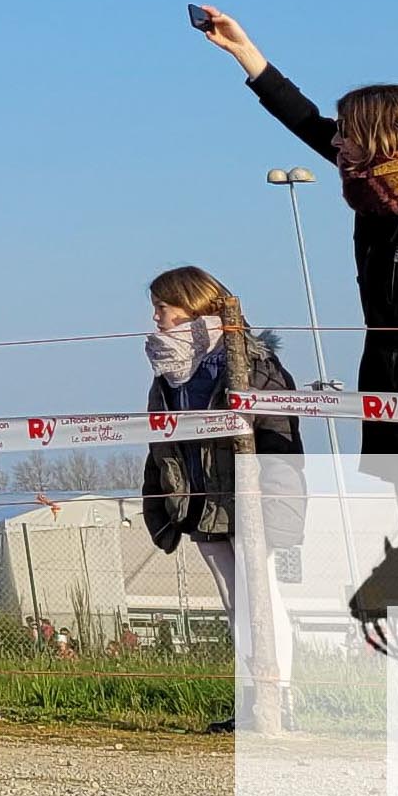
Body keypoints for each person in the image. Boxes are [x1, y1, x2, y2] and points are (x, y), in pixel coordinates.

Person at [193, 9, 398, 603]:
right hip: (397, 412)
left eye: (347, 133)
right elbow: (307, 122)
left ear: (380, 137)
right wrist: (245, 54)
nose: (335, 141)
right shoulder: (378, 197)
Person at [134, 267, 305, 733]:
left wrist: (274, 501)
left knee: (263, 597)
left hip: (248, 498)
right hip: (198, 501)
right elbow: (162, 439)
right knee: (235, 602)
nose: (156, 317)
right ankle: (254, 700)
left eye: (164, 307)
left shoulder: (251, 362)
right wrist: (163, 500)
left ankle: (279, 699)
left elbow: (277, 434)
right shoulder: (168, 371)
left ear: (194, 305)